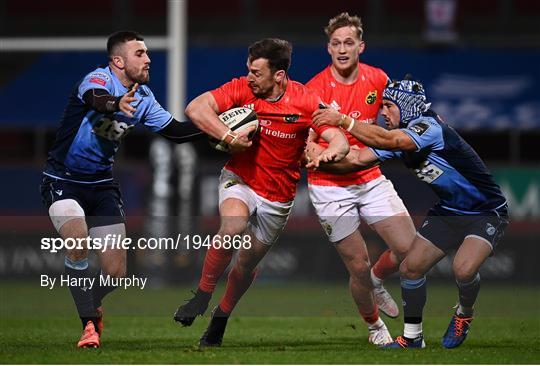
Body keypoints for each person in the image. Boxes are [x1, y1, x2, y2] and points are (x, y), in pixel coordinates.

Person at [308, 76, 509, 349]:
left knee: (463, 270)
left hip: (485, 211)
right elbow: (354, 161)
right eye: (382, 107)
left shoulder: (428, 127)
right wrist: (316, 157)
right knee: (410, 269)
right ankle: (413, 337)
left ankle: (464, 313)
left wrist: (342, 120)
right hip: (448, 211)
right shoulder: (396, 135)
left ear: (407, 106)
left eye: (389, 106)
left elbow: (393, 141)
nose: (382, 112)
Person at [39, 30, 210, 348]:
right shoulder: (97, 80)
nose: (148, 59)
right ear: (118, 61)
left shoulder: (144, 98)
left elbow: (176, 132)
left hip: (102, 185)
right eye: (140, 53)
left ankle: (89, 297)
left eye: (147, 53)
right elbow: (96, 101)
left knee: (116, 274)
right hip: (63, 180)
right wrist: (117, 102)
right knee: (78, 242)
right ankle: (89, 325)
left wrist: (220, 124)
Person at [176, 38, 349, 347]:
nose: (250, 77)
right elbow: (195, 108)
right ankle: (201, 295)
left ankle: (220, 318)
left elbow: (339, 140)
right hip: (240, 178)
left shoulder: (306, 101)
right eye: (249, 70)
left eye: (256, 72)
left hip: (278, 197)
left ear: (279, 75)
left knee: (245, 266)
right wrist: (228, 135)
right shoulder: (242, 89)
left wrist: (327, 153)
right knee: (232, 227)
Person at [304, 13, 416, 345]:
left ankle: (378, 279)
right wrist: (311, 152)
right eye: (336, 43)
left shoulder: (378, 79)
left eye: (348, 42)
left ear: (360, 46)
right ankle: (374, 327)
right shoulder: (315, 88)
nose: (342, 49)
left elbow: (395, 119)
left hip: (369, 177)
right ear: (328, 48)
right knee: (357, 264)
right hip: (329, 186)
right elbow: (306, 140)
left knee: (409, 249)